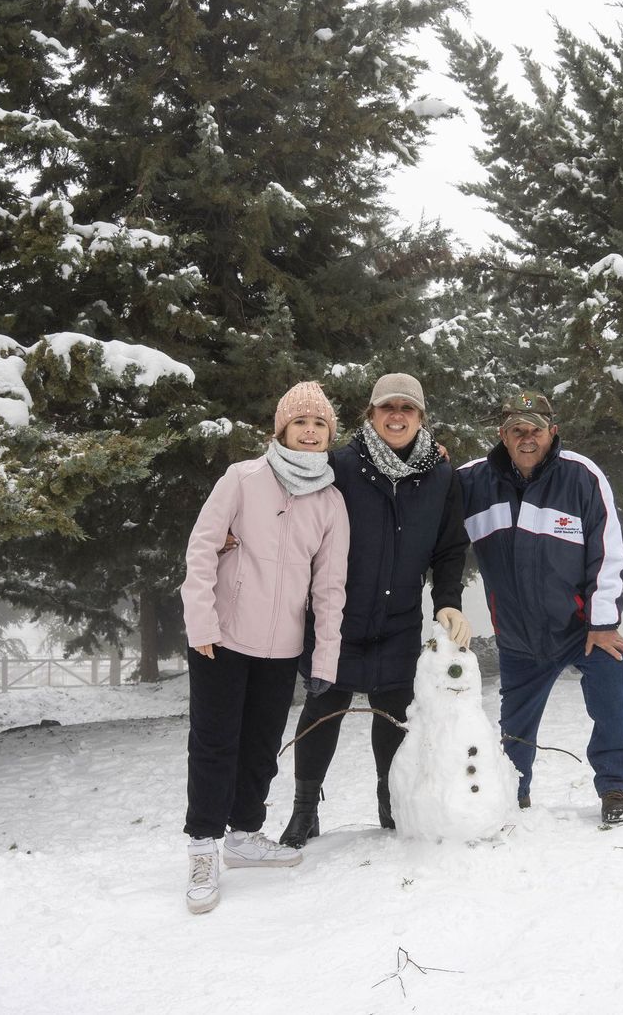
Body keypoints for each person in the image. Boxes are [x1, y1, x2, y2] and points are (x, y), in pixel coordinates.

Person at [276, 373, 472, 847]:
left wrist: (447, 601)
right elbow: (286, 501)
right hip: (336, 619)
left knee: (392, 715)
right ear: (371, 415)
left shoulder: (440, 474)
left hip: (399, 619)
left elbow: (449, 548)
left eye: (407, 408)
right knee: (323, 710)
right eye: (388, 408)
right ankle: (305, 810)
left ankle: (391, 802)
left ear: (421, 417)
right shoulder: (338, 466)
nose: (397, 416)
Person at [178, 381, 349, 914]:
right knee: (214, 743)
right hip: (222, 640)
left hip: (281, 647)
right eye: (300, 421)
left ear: (329, 435)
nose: (310, 430)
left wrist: (324, 658)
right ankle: (203, 847)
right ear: (281, 429)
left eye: (320, 424)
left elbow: (329, 586)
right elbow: (203, 548)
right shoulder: (243, 478)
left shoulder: (331, 500)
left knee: (260, 745)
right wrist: (200, 624)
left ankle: (244, 835)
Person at [456, 390, 623, 825]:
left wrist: (603, 621)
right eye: (516, 430)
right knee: (515, 730)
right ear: (502, 435)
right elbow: (427, 496)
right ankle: (513, 796)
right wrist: (429, 457)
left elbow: (609, 551)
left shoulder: (581, 477)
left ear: (552, 431)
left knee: (614, 696)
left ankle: (615, 788)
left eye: (535, 430)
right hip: (519, 636)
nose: (526, 438)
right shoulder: (471, 482)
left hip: (583, 630)